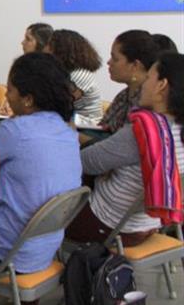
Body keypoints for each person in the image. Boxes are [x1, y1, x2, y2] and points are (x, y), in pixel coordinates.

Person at [66, 53, 184, 247]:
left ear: (161, 85)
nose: (143, 85)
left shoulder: (146, 131)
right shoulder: (177, 129)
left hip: (109, 224)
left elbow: (83, 162)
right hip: (150, 222)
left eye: (148, 78)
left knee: (39, 210)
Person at [0, 54, 81, 283]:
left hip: (3, 254)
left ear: (27, 99)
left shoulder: (16, 132)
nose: (6, 95)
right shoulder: (67, 132)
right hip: (43, 252)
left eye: (10, 90)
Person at [98, 30, 159, 134]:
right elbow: (104, 127)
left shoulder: (148, 100)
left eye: (115, 59)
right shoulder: (123, 95)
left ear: (135, 65)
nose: (109, 62)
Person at [45, 29, 104, 122]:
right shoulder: (66, 72)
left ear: (61, 50)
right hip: (72, 122)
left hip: (88, 127)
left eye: (49, 45)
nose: (45, 49)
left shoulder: (79, 75)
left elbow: (60, 102)